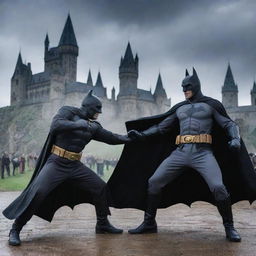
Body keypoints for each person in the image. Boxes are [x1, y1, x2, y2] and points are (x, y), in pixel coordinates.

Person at [108, 68, 256, 242]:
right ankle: (149, 222)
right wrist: (142, 135)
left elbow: (229, 124)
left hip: (203, 153)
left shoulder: (212, 105)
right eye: (182, 87)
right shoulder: (180, 108)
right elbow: (162, 127)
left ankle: (229, 227)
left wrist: (235, 139)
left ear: (196, 86)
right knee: (154, 182)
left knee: (218, 187)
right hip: (181, 152)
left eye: (187, 86)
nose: (184, 89)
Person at [3, 90, 131, 246]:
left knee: (100, 187)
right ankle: (16, 229)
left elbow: (112, 138)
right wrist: (77, 124)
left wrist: (130, 137)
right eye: (97, 110)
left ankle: (102, 223)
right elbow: (55, 126)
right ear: (89, 108)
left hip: (75, 165)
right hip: (56, 162)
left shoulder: (94, 127)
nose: (99, 114)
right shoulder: (68, 111)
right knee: (38, 192)